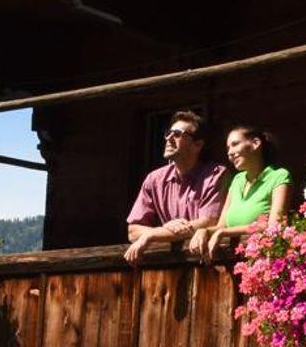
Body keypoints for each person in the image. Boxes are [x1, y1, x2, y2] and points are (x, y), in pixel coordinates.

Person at [124, 110, 227, 264]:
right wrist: (166, 228)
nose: (169, 138)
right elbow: (133, 231)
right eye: (168, 133)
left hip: (206, 262)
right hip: (170, 264)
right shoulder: (154, 179)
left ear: (197, 145)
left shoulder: (216, 174)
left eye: (178, 134)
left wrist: (151, 235)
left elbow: (208, 222)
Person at [187, 124, 291, 260]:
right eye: (228, 148)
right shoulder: (237, 180)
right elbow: (221, 226)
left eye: (235, 144)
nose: (230, 152)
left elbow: (274, 226)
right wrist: (204, 231)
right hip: (231, 263)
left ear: (255, 144)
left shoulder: (279, 176)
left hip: (262, 260)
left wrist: (224, 232)